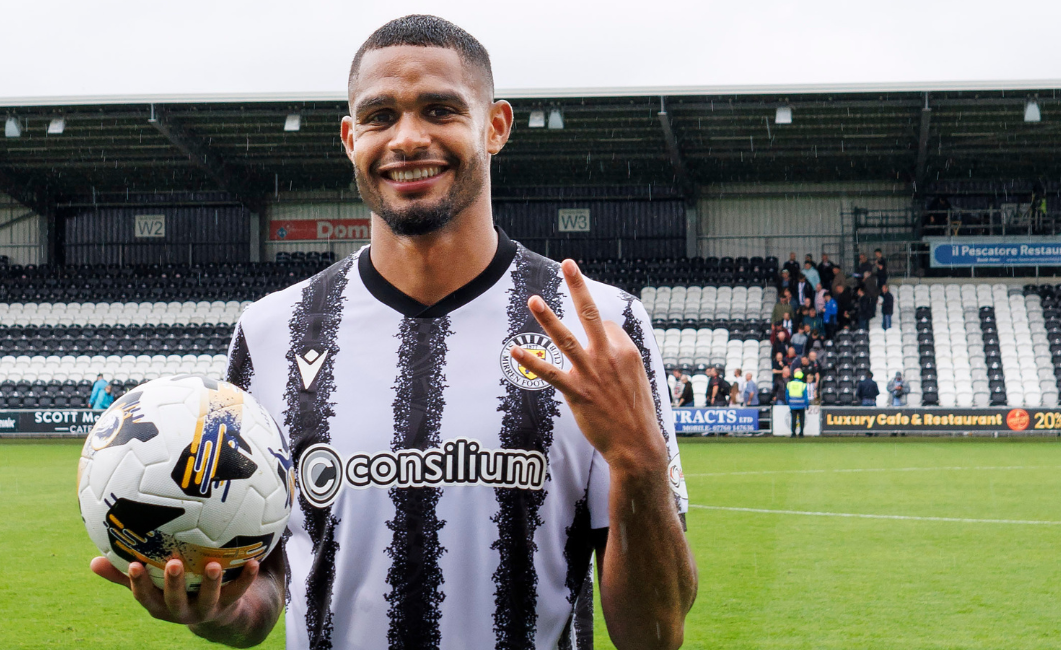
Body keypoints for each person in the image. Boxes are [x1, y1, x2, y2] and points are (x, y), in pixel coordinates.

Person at [90, 16, 696, 649]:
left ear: (495, 126)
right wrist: (217, 608)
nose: (407, 139)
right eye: (380, 116)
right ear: (351, 138)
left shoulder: (605, 328)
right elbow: (265, 585)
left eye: (440, 110)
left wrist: (639, 460)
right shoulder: (271, 331)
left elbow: (654, 634)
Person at [786, 369, 809, 438]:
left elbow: (787, 395)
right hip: (801, 405)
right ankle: (801, 433)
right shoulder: (803, 385)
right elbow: (805, 396)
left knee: (793, 419)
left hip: (792, 404)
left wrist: (788, 402)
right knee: (802, 419)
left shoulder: (789, 384)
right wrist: (807, 405)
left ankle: (793, 433)